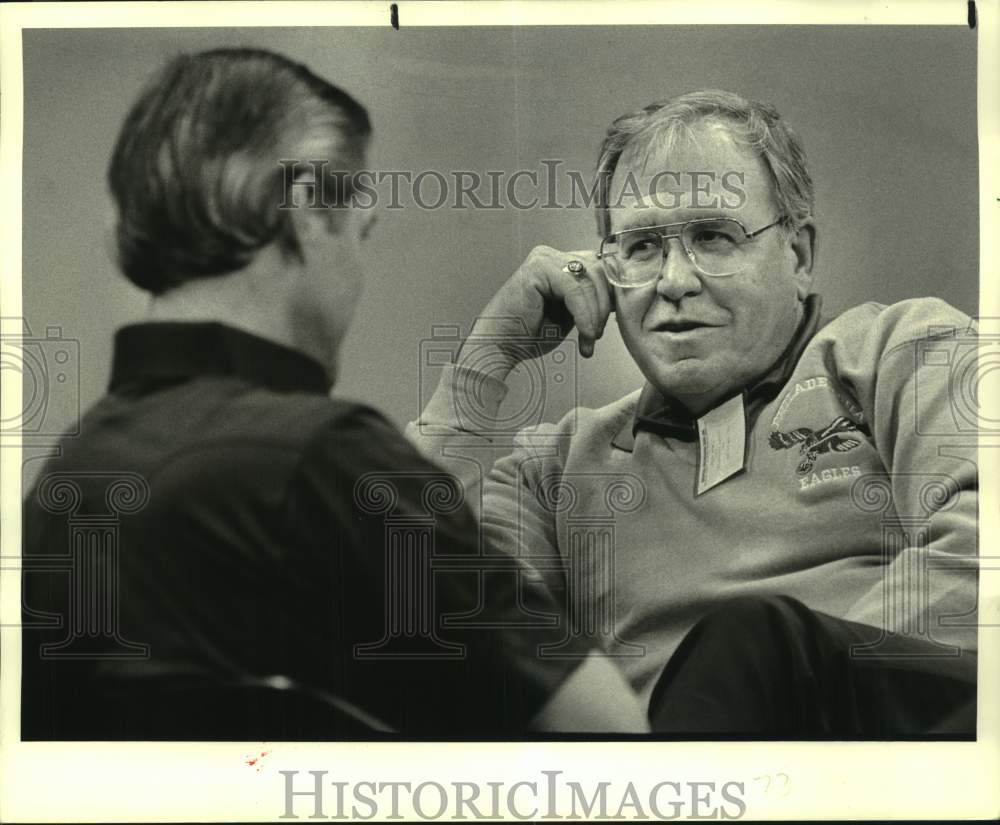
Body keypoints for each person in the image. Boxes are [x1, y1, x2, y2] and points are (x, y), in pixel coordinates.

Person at [20, 48, 649, 740]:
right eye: (362, 230)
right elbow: (609, 735)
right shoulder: (327, 458)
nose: (359, 271)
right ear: (307, 213)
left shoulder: (65, 481)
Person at [408, 89, 979, 736]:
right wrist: (486, 358)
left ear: (799, 256)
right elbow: (442, 637)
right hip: (650, 788)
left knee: (751, 641)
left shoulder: (894, 354)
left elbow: (980, 561)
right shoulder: (558, 468)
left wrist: (798, 698)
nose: (675, 279)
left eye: (713, 236)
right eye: (644, 246)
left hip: (868, 770)